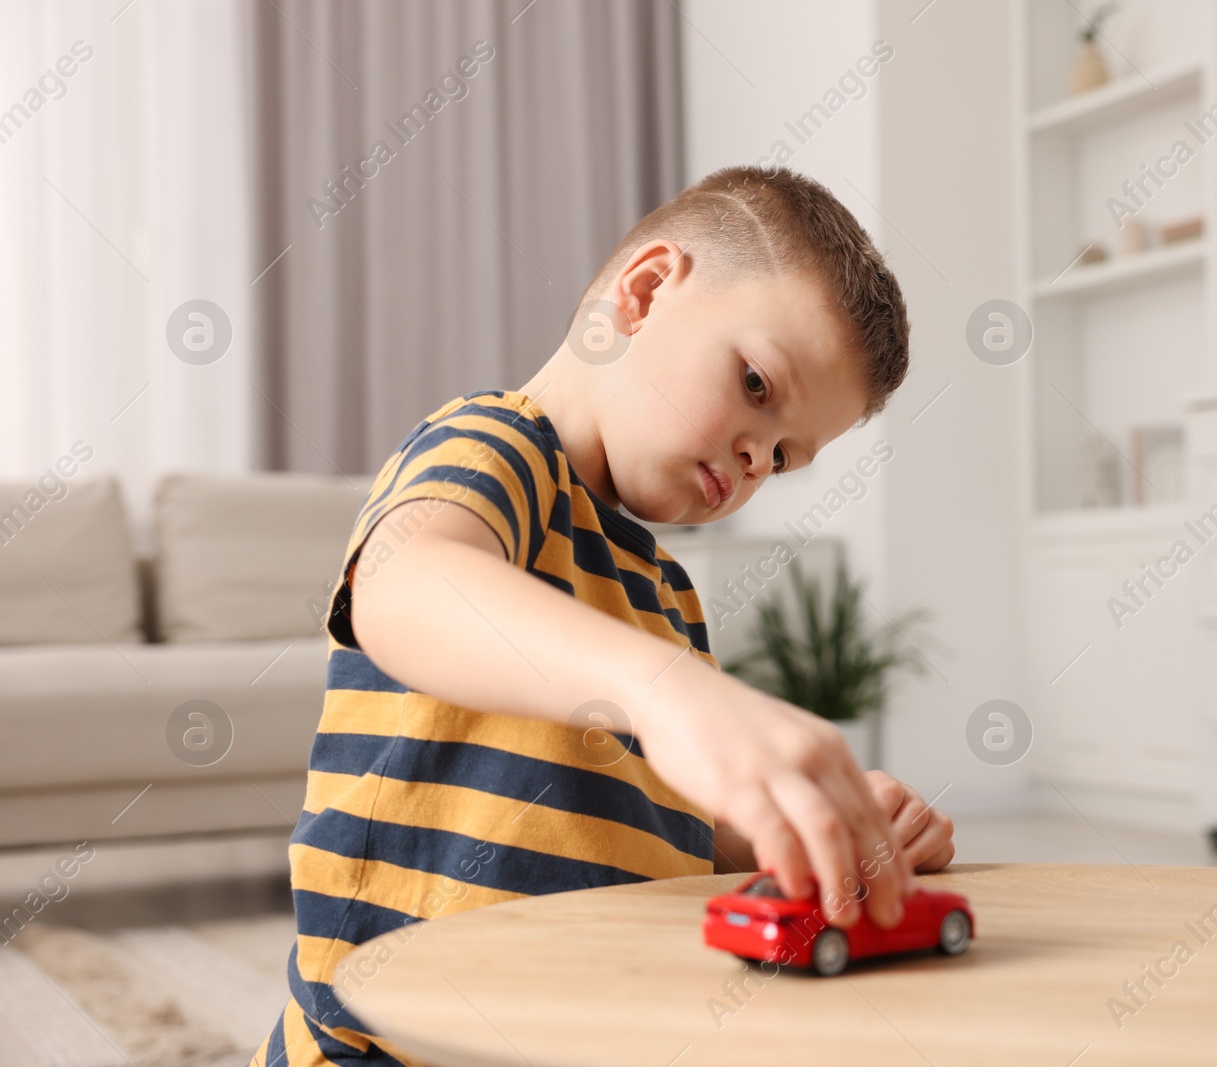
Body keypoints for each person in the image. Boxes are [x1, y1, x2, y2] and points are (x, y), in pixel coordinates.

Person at [253, 165, 955, 1066]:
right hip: (387, 1044)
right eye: (753, 383)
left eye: (785, 458)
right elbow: (407, 584)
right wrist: (667, 692)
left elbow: (660, 824)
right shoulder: (495, 447)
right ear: (646, 291)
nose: (755, 455)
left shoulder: (662, 590)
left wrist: (820, 828)